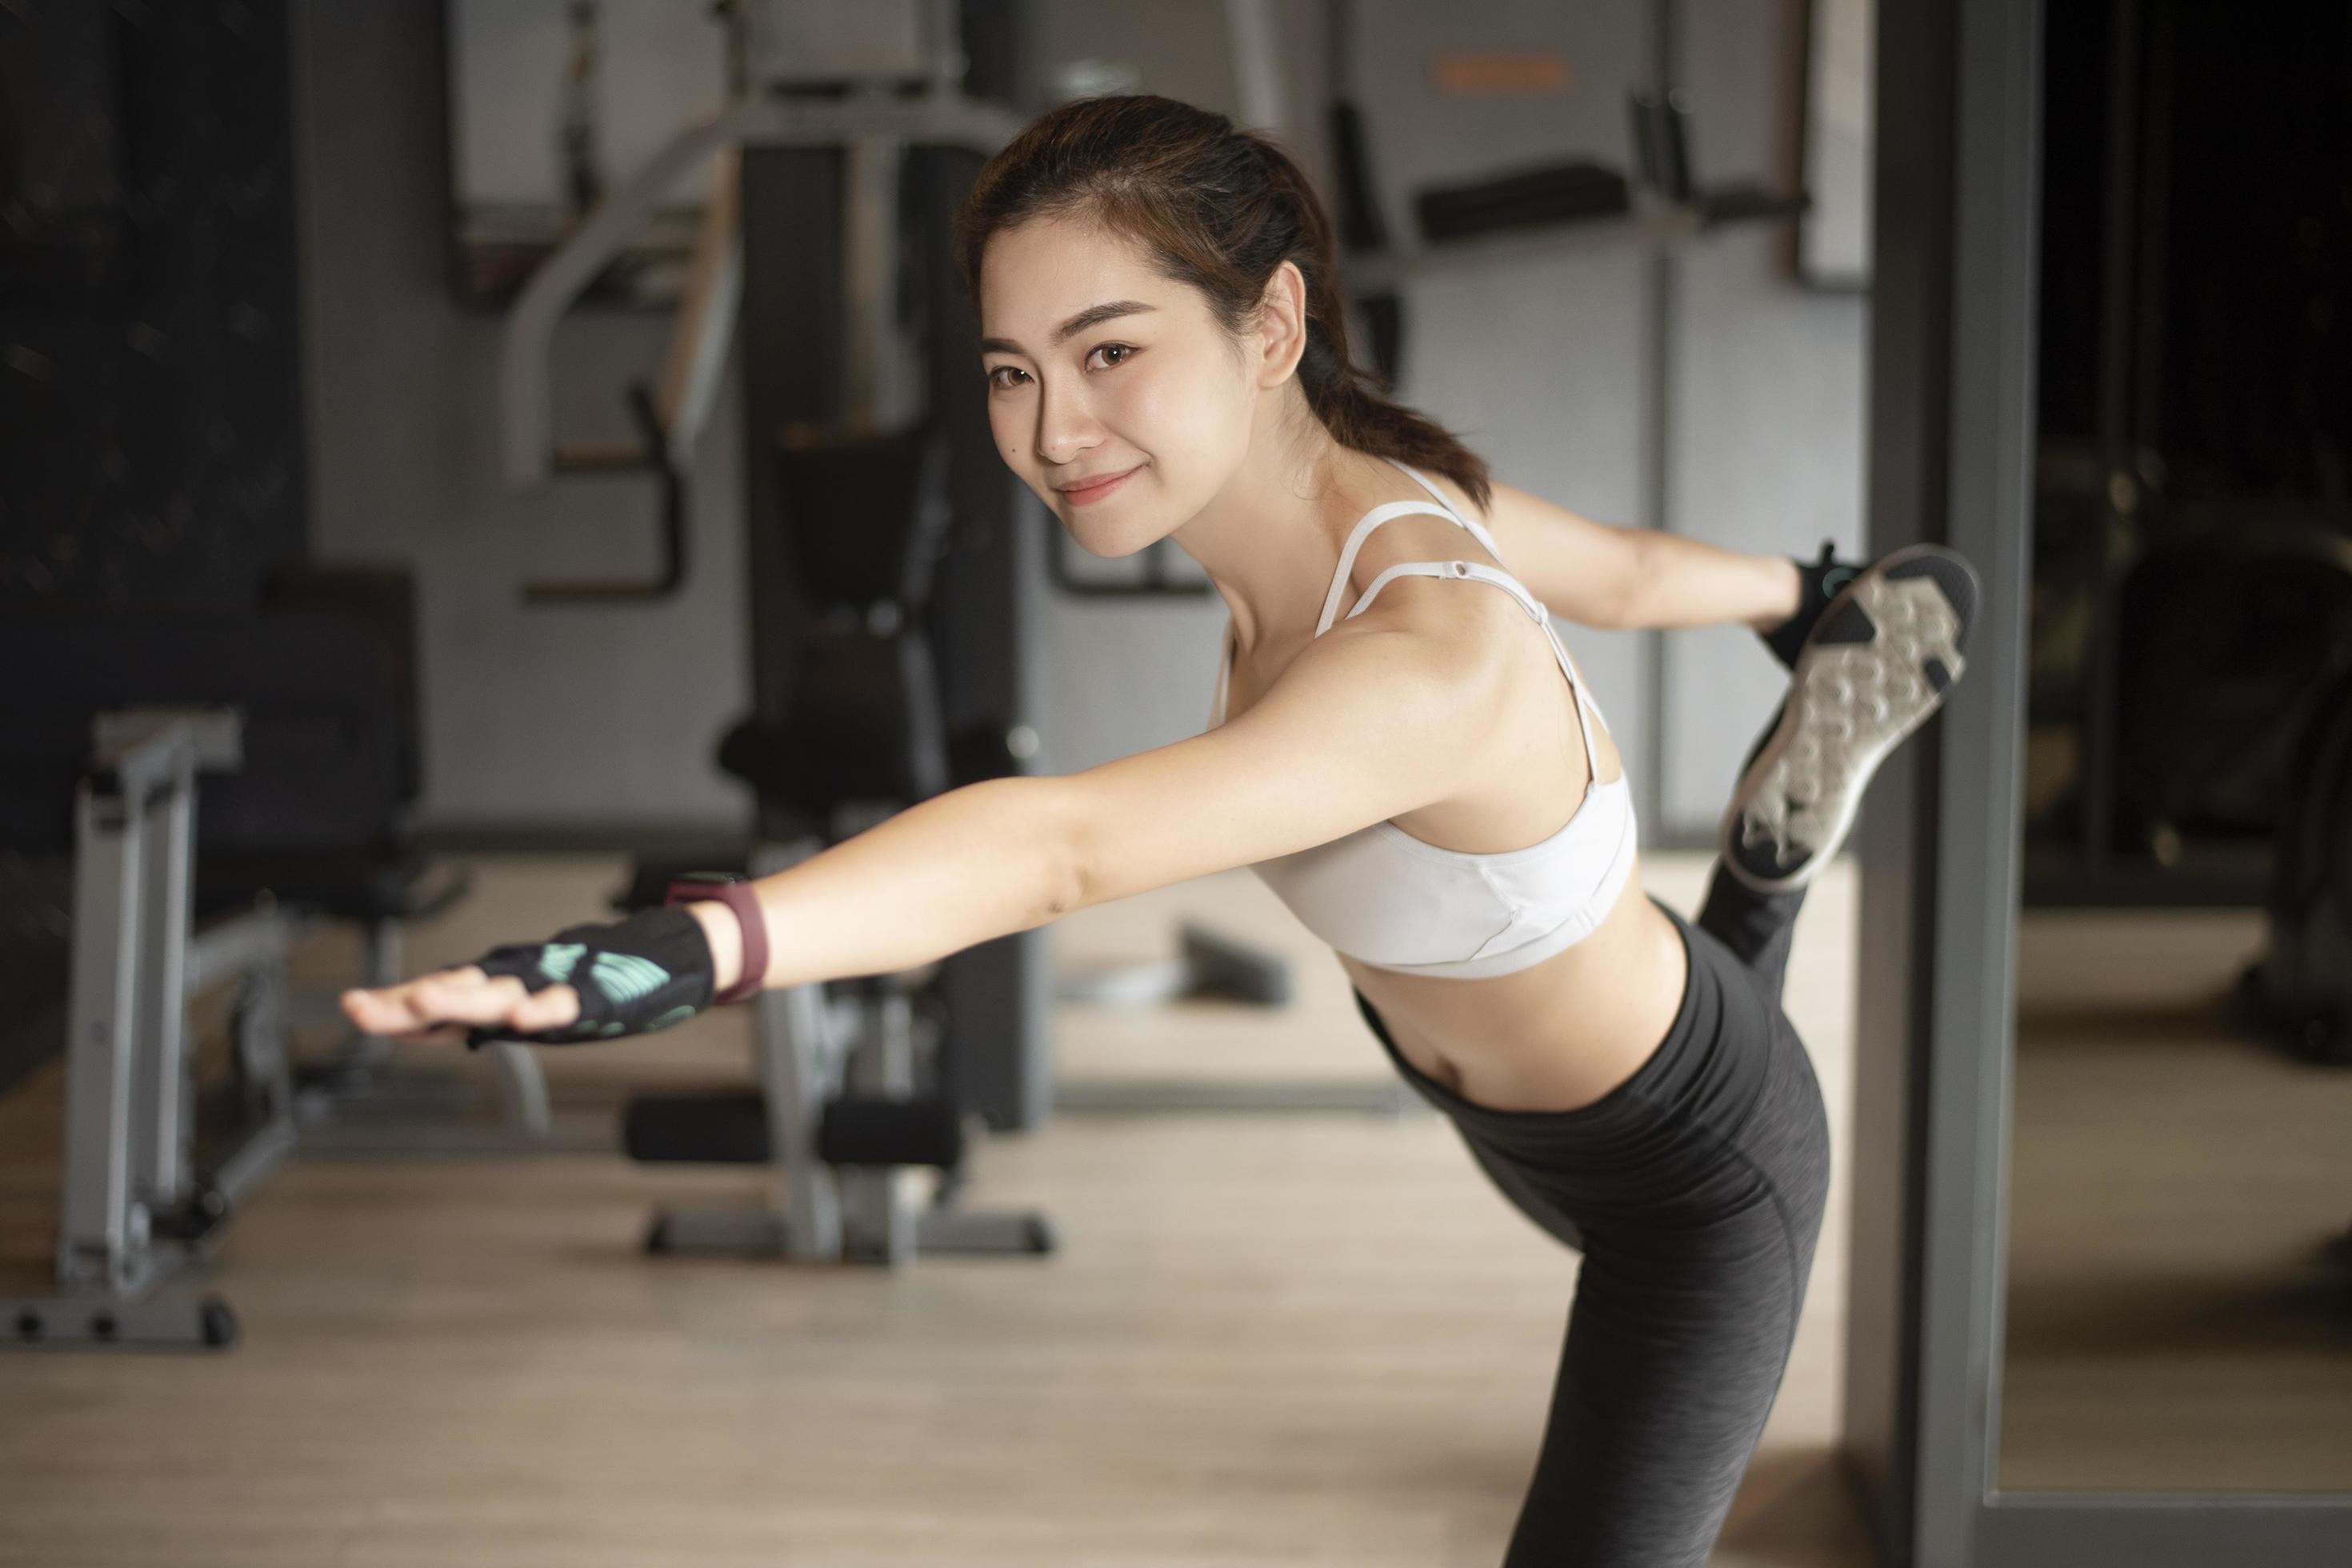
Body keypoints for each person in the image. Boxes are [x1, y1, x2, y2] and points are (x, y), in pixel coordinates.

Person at [343, 94, 1977, 1568]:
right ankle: (1761, 873)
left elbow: (1057, 851)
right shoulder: (1361, 485)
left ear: (1270, 323)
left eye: (1109, 351)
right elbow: (1618, 573)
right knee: (1665, 973)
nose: (1053, 429)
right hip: (1492, 1086)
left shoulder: (1425, 651)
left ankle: (1755, 887)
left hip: (1690, 1170)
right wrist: (1807, 597)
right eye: (1011, 369)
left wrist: (685, 952)